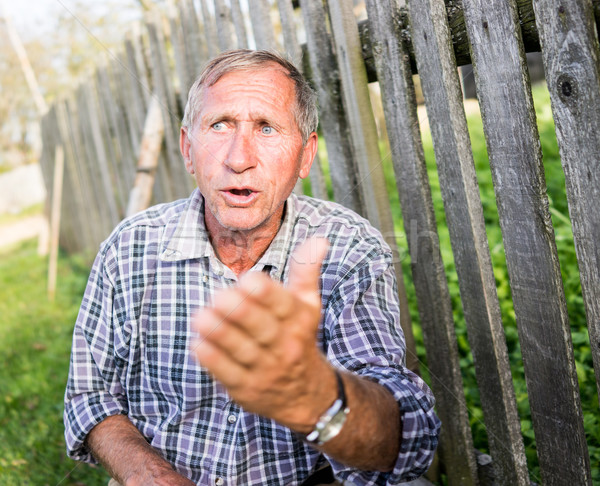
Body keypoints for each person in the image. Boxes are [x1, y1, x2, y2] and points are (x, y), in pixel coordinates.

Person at [64, 49, 440, 486]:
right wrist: (148, 475)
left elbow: (401, 444)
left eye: (266, 127)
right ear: (189, 149)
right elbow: (90, 396)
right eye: (219, 125)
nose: (238, 157)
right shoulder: (129, 248)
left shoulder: (348, 248)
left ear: (305, 155)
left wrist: (317, 397)